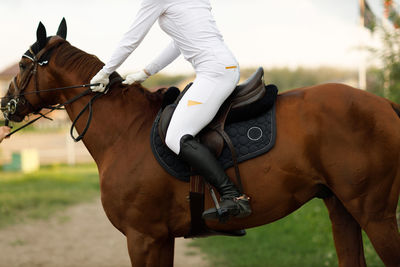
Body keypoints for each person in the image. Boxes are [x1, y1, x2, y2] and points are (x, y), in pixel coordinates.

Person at [90, 0, 251, 221]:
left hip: (214, 72)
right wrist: (146, 72)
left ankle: (232, 196)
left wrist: (106, 71)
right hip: (221, 67)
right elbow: (178, 43)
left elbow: (131, 39)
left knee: (176, 136)